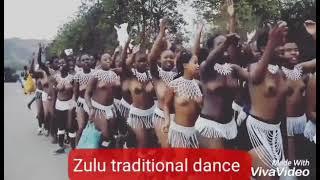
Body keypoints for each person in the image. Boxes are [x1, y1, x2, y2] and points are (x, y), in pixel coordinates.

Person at [244, 23, 290, 179]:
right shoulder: (253, 67)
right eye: (279, 45)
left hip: (276, 130)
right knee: (266, 176)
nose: (282, 48)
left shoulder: (281, 71)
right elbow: (256, 78)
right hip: (255, 130)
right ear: (265, 47)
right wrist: (272, 41)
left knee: (280, 175)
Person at [162, 49, 202, 148]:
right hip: (178, 132)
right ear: (185, 65)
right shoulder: (174, 85)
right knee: (182, 162)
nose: (198, 65)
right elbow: (166, 105)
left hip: (194, 131)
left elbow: (203, 109)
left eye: (198, 63)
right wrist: (167, 121)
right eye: (195, 63)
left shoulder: (199, 85)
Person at [148, 18, 177, 147]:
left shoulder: (178, 74)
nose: (169, 59)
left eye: (172, 57)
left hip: (177, 117)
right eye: (166, 57)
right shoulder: (156, 74)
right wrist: (161, 34)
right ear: (159, 60)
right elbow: (151, 57)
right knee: (166, 149)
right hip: (160, 116)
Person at [85, 53, 119, 148]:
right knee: (105, 135)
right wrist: (91, 108)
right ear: (100, 62)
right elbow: (87, 93)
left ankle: (103, 154)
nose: (108, 60)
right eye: (105, 59)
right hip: (98, 109)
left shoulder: (114, 75)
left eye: (109, 59)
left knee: (111, 135)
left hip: (111, 109)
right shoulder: (95, 75)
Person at [54, 58, 77, 153]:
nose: (61, 64)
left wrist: (73, 103)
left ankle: (73, 148)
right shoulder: (56, 77)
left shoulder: (72, 77)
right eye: (59, 63)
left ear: (67, 65)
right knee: (60, 126)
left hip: (69, 104)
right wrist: (57, 87)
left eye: (63, 63)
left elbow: (75, 92)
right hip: (59, 104)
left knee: (71, 126)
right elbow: (54, 90)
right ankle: (61, 146)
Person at [74, 54, 93, 145]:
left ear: (91, 61)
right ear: (80, 63)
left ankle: (89, 146)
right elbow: (76, 92)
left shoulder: (95, 73)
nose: (86, 61)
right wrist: (76, 106)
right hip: (81, 102)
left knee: (91, 126)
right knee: (81, 127)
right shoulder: (78, 75)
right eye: (83, 60)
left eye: (87, 59)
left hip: (92, 103)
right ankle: (77, 148)